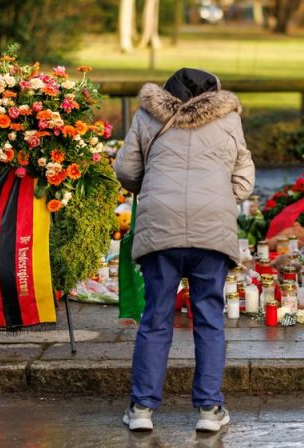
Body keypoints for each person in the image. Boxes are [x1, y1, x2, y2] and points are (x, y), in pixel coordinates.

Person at [114, 68, 254, 433]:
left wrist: (154, 189)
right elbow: (245, 175)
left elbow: (127, 170)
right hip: (212, 229)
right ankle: (209, 409)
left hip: (161, 227)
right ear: (214, 92)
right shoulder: (228, 119)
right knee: (209, 317)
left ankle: (142, 408)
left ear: (167, 91)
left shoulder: (147, 116)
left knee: (155, 317)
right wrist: (221, 199)